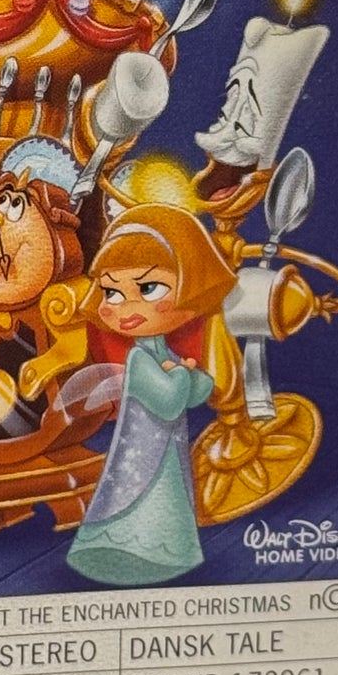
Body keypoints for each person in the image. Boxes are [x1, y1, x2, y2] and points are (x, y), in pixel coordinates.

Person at [66, 204, 232, 586]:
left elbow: (199, 392)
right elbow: (170, 401)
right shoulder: (140, 358)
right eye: (111, 292)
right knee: (145, 499)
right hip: (143, 457)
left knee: (165, 499)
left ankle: (164, 555)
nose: (126, 306)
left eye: (147, 288)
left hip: (163, 452)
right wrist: (182, 376)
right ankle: (128, 555)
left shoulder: (161, 351)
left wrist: (188, 377)